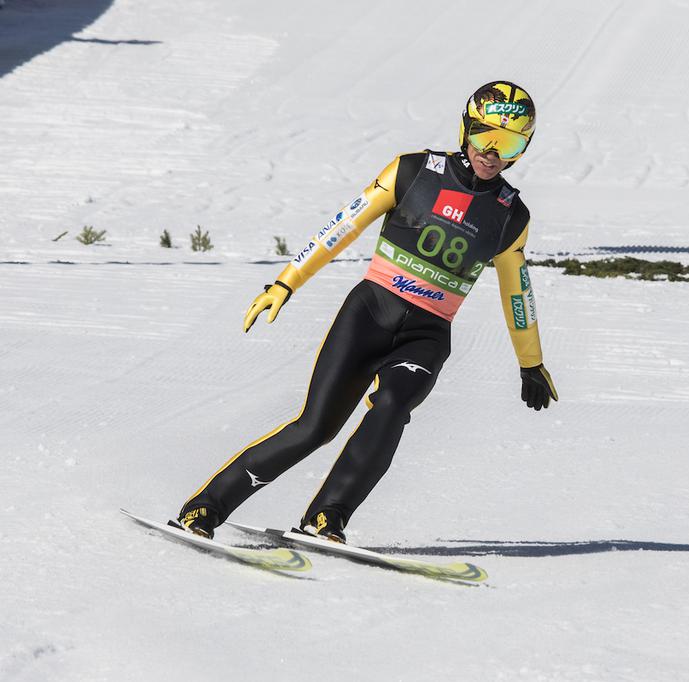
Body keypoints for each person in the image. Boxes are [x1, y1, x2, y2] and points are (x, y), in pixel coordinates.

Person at [176, 81, 557, 543]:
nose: (492, 152)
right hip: (370, 313)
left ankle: (327, 517)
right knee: (314, 428)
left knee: (392, 408)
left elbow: (517, 292)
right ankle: (204, 508)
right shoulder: (413, 171)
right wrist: (286, 281)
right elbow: (345, 224)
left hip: (427, 334)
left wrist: (530, 362)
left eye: (509, 142)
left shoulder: (512, 214)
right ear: (465, 128)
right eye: (483, 136)